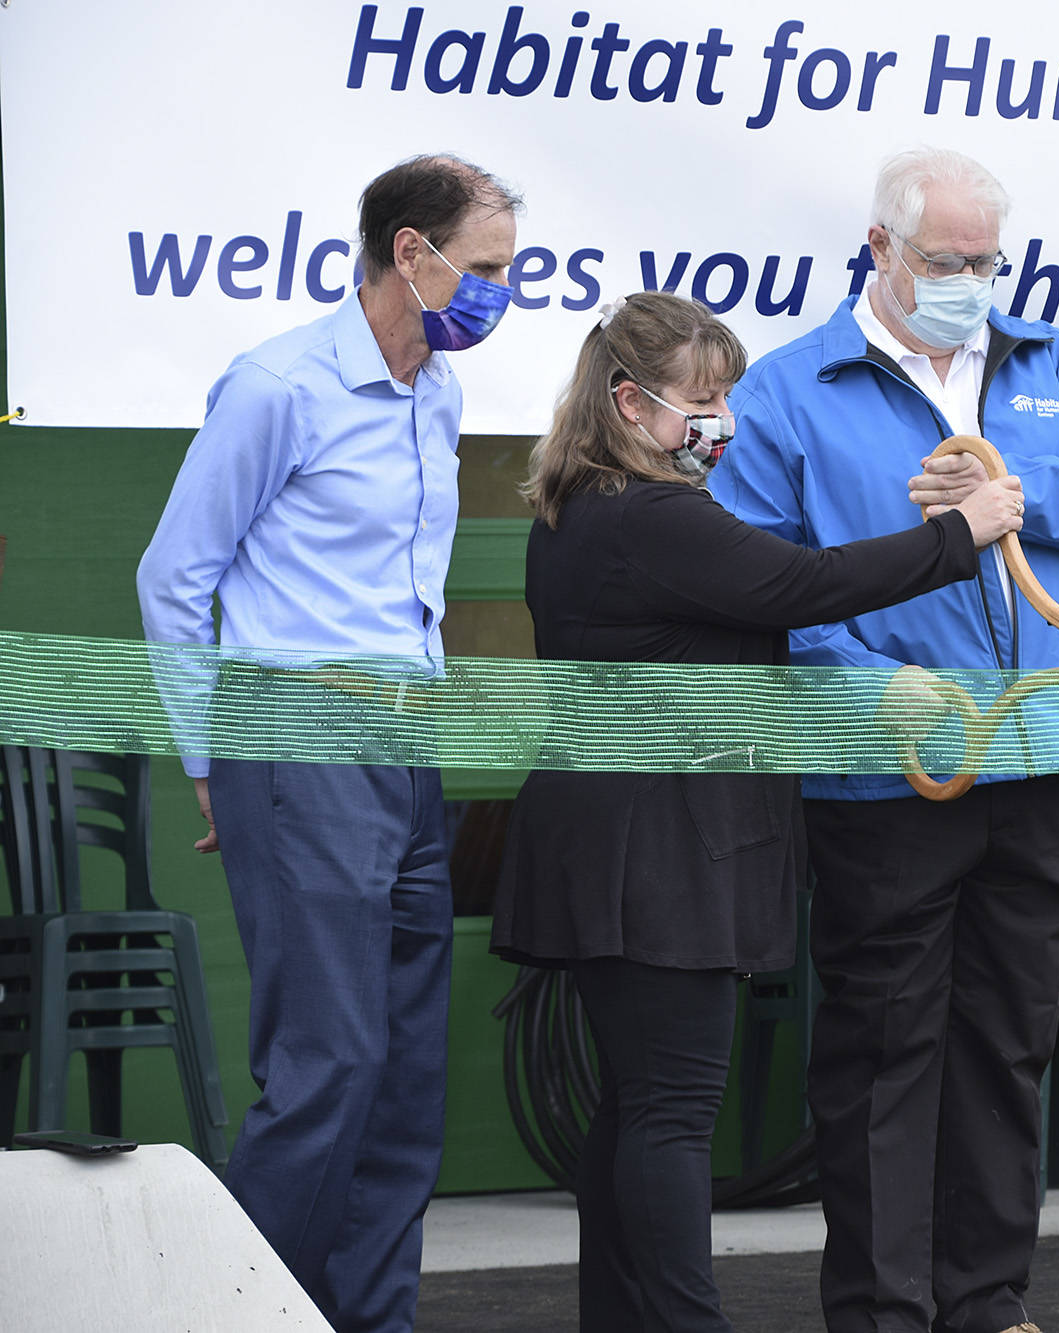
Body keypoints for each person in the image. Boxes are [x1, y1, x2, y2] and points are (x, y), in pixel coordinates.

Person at [488, 289, 1022, 1332]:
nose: (721, 418)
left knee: (638, 1106)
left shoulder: (582, 508)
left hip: (614, 846)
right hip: (657, 855)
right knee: (673, 1111)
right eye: (703, 397)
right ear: (631, 402)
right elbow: (800, 584)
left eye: (726, 395)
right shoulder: (653, 516)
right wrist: (957, 534)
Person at [710, 146, 1059, 1333]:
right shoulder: (788, 389)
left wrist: (1003, 495)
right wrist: (874, 691)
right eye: (943, 260)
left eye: (984, 260)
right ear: (879, 250)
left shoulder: (1049, 360)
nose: (969, 279)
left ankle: (986, 1301)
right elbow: (755, 585)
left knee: (1007, 1043)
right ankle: (880, 1312)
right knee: (882, 1055)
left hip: (1041, 756)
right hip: (886, 776)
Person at [136, 154, 522, 1332]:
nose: (505, 292)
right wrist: (212, 760)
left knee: (403, 1086)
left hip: (406, 749)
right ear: (413, 253)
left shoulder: (438, 393)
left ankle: (368, 1322)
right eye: (490, 267)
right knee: (329, 1065)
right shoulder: (278, 385)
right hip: (294, 735)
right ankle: (229, 1314)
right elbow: (173, 576)